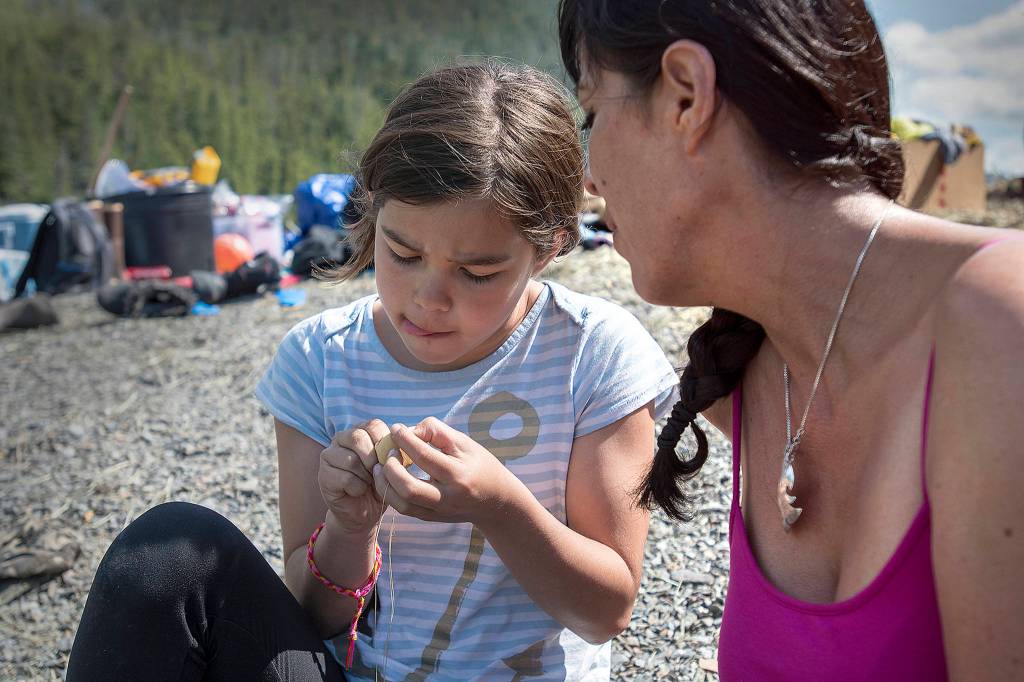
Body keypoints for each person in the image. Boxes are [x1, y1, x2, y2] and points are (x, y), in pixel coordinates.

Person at [66, 61, 679, 681]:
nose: (429, 298)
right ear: (372, 216)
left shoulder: (593, 353)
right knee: (165, 550)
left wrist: (498, 506)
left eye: (478, 272)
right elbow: (310, 615)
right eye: (403, 253)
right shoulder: (320, 359)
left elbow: (606, 612)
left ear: (547, 248)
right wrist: (349, 525)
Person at [557, 1, 1024, 680]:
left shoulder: (998, 321)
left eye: (592, 114)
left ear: (687, 94)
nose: (590, 178)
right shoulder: (755, 368)